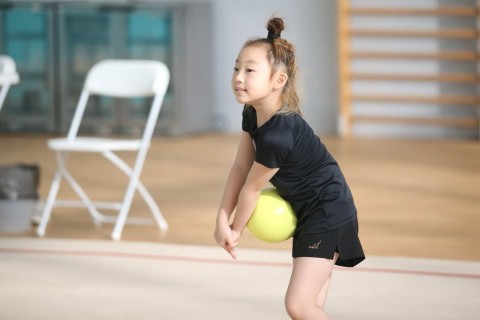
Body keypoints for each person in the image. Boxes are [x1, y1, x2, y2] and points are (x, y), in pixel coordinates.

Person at [214, 16, 365, 320]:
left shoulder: (279, 134)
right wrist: (221, 217)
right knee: (311, 309)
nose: (239, 77)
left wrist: (234, 229)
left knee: (299, 306)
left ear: (278, 81)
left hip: (327, 213)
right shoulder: (252, 113)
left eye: (250, 70)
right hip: (312, 210)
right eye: (236, 68)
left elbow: (253, 188)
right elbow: (241, 165)